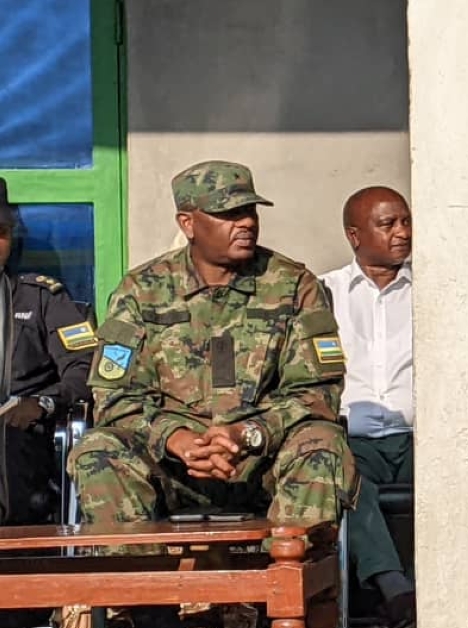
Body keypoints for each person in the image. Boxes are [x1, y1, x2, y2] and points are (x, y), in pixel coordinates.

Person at [67, 160, 357, 542]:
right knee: (97, 450)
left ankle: (289, 578)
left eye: (250, 211)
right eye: (229, 214)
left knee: (323, 443)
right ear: (188, 223)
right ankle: (141, 580)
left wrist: (249, 433)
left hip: (264, 460)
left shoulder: (292, 285)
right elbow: (115, 398)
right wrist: (175, 438)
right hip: (171, 466)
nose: (247, 223)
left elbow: (317, 393)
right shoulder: (141, 290)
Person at [320, 186, 416, 628]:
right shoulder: (324, 294)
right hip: (353, 439)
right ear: (355, 235)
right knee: (338, 474)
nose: (402, 232)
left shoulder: (433, 291)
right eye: (388, 224)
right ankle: (396, 591)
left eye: (406, 221)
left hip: (420, 437)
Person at [0, 178, 96, 527]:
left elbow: (86, 368)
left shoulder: (41, 298)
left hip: (18, 429)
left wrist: (43, 402)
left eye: (1, 233)